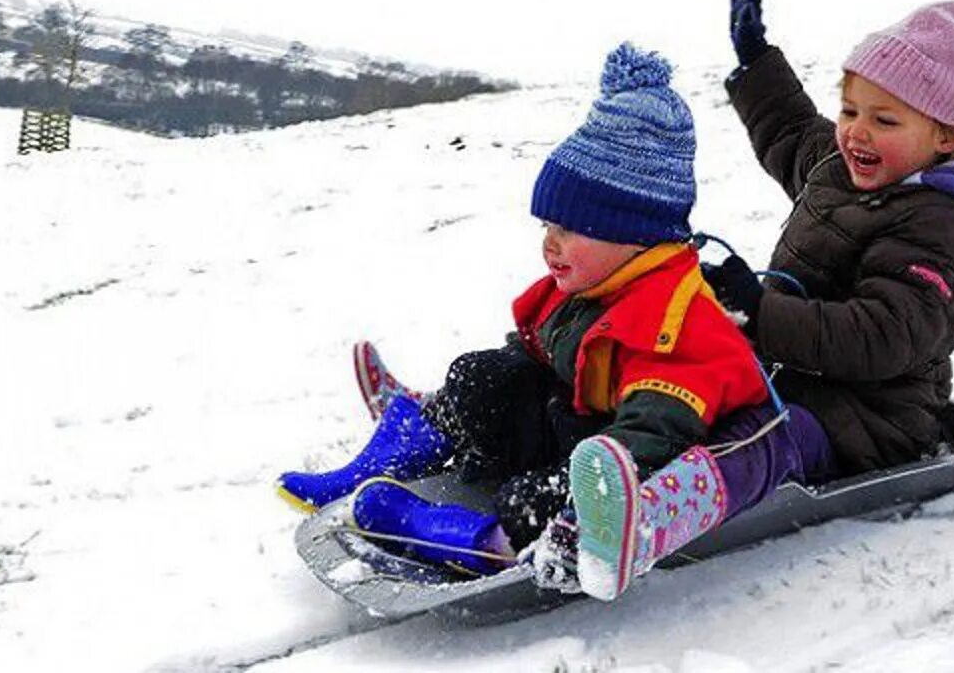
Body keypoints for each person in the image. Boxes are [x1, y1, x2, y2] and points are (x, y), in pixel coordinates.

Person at [559, 0, 954, 599]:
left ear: (946, 137)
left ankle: (647, 524)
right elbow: (790, 130)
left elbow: (883, 336)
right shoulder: (844, 164)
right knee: (681, 371)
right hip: (786, 371)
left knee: (765, 440)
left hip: (868, 414)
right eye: (851, 108)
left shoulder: (948, 229)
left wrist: (762, 313)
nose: (855, 131)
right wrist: (755, 59)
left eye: (885, 119)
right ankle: (609, 466)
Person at [276, 42, 774, 579]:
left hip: (630, 455)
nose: (550, 245)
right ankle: (394, 454)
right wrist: (477, 408)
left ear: (634, 232)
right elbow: (530, 357)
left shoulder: (679, 329)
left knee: (544, 497)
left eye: (568, 230)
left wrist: (560, 484)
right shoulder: (589, 285)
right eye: (547, 228)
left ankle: (485, 543)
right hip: (582, 423)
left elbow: (650, 443)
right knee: (483, 374)